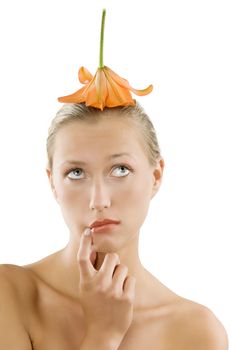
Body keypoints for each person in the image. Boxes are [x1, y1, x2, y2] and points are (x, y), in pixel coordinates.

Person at [0, 101, 228, 349]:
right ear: (53, 182)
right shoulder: (10, 294)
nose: (98, 201)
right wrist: (103, 334)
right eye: (76, 173)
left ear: (156, 176)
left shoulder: (197, 333)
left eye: (120, 170)